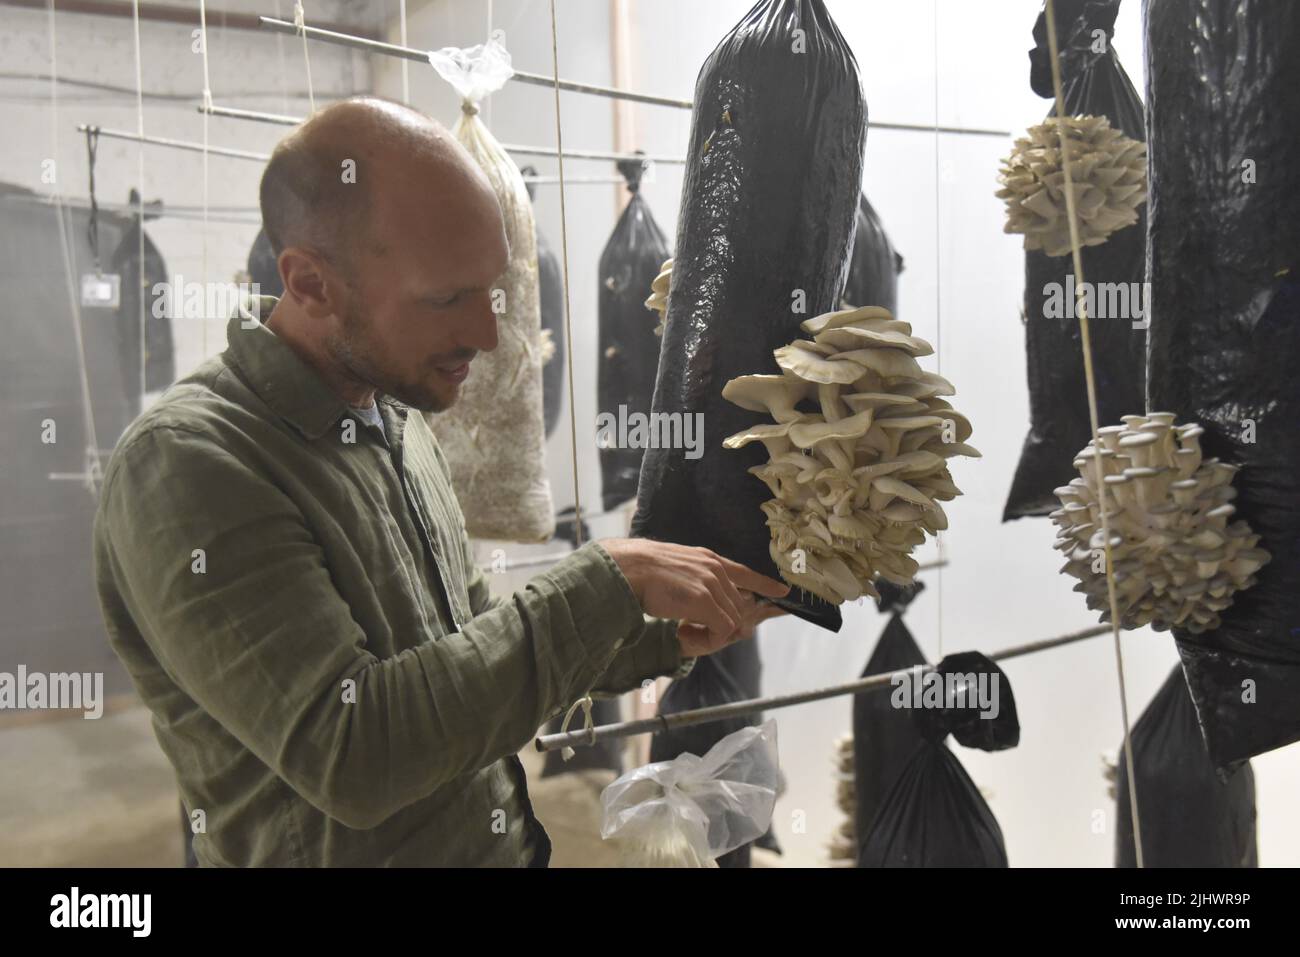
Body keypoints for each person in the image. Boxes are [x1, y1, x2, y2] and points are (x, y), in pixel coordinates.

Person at [92, 97, 789, 867]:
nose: (488, 335)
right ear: (311, 283)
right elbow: (355, 752)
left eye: (489, 289)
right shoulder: (191, 464)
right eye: (446, 298)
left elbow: (466, 644)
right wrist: (604, 581)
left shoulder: (395, 419)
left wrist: (648, 637)